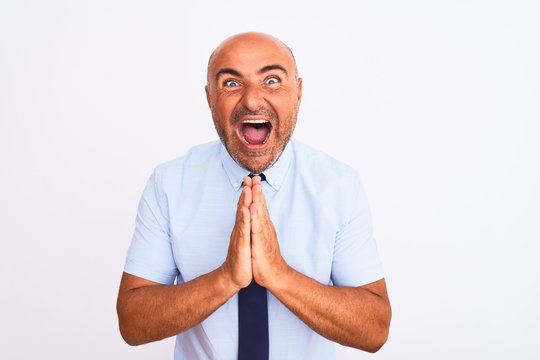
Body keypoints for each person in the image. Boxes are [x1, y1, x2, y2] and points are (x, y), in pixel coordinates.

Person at [117, 32, 391, 359]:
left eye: (272, 80)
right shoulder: (170, 183)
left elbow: (374, 330)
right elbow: (132, 323)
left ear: (298, 93)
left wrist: (279, 275)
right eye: (231, 84)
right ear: (209, 98)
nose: (251, 100)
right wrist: (226, 278)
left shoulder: (338, 185)